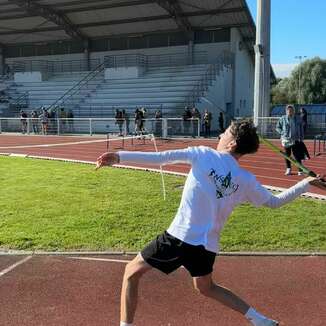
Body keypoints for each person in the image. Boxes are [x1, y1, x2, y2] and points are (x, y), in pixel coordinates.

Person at [96, 119, 324, 326]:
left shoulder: (204, 154)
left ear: (232, 143)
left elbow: (163, 158)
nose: (220, 136)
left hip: (180, 237)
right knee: (206, 287)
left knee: (131, 271)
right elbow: (275, 202)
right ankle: (260, 320)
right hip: (207, 247)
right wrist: (305, 184)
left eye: (224, 133)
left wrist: (119, 156)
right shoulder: (245, 179)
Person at [276, 105, 304, 175]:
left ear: (293, 111)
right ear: (286, 111)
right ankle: (288, 169)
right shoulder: (282, 118)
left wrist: (301, 137)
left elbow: (301, 128)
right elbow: (277, 127)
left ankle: (300, 170)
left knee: (297, 155)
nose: (290, 112)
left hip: (296, 139)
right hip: (286, 140)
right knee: (287, 155)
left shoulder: (298, 118)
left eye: (291, 110)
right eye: (288, 111)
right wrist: (282, 132)